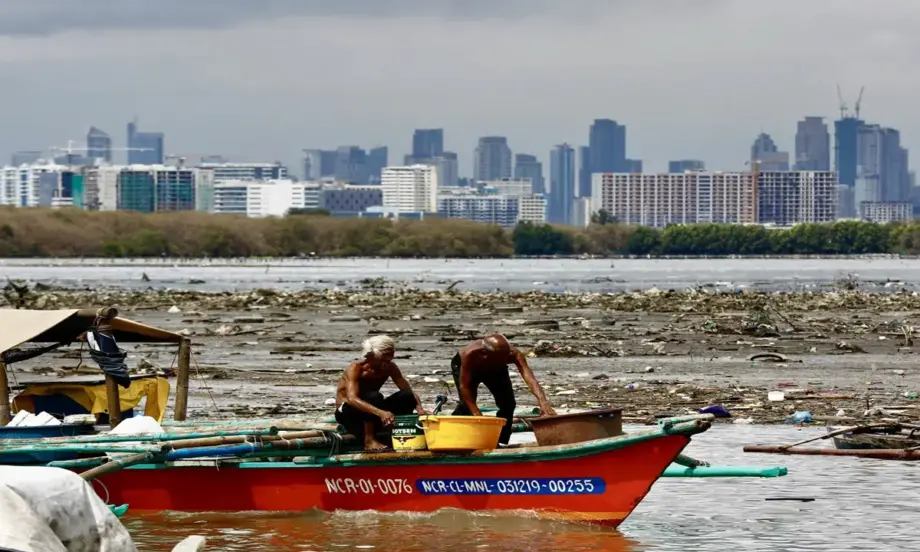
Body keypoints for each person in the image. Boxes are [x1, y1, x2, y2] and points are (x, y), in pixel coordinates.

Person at [451, 333, 556, 445]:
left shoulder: (513, 354)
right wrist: (477, 413)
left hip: (495, 369)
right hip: (467, 369)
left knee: (508, 404)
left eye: (505, 358)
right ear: (484, 354)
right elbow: (464, 386)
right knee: (466, 405)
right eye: (500, 359)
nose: (505, 360)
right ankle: (452, 433)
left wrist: (543, 402)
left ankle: (500, 441)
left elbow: (530, 378)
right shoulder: (470, 355)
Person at [334, 335, 427, 451]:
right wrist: (381, 412)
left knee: (406, 396)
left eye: (391, 356)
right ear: (373, 355)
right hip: (349, 413)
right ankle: (369, 440)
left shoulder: (390, 367)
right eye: (384, 357)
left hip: (373, 411)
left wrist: (420, 409)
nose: (388, 360)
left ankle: (394, 432)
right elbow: (352, 399)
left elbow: (408, 391)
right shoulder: (356, 368)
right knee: (374, 396)